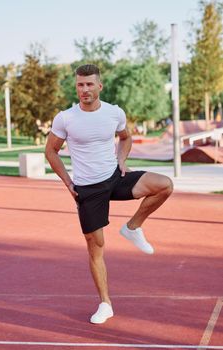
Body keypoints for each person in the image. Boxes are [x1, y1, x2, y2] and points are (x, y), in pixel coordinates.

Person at [45, 64, 173, 324]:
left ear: (100, 86)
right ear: (76, 87)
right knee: (96, 248)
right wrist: (68, 183)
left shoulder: (114, 113)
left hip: (115, 177)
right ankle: (105, 303)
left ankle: (133, 227)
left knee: (164, 185)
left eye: (90, 84)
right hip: (88, 189)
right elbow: (50, 151)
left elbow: (125, 138)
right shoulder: (65, 118)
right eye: (80, 84)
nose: (85, 89)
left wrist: (122, 160)